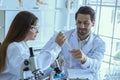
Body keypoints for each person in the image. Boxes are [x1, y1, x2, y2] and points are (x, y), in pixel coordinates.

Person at [0, 11, 66, 80]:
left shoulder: (22, 46)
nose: (37, 31)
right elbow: (31, 68)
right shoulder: (14, 47)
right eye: (35, 27)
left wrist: (52, 65)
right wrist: (56, 46)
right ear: (25, 27)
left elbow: (34, 70)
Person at [45, 6, 105, 80]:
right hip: (65, 77)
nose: (82, 26)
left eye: (86, 23)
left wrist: (84, 59)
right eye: (79, 22)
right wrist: (56, 61)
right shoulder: (64, 35)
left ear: (93, 23)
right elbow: (45, 54)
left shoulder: (99, 43)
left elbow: (97, 65)